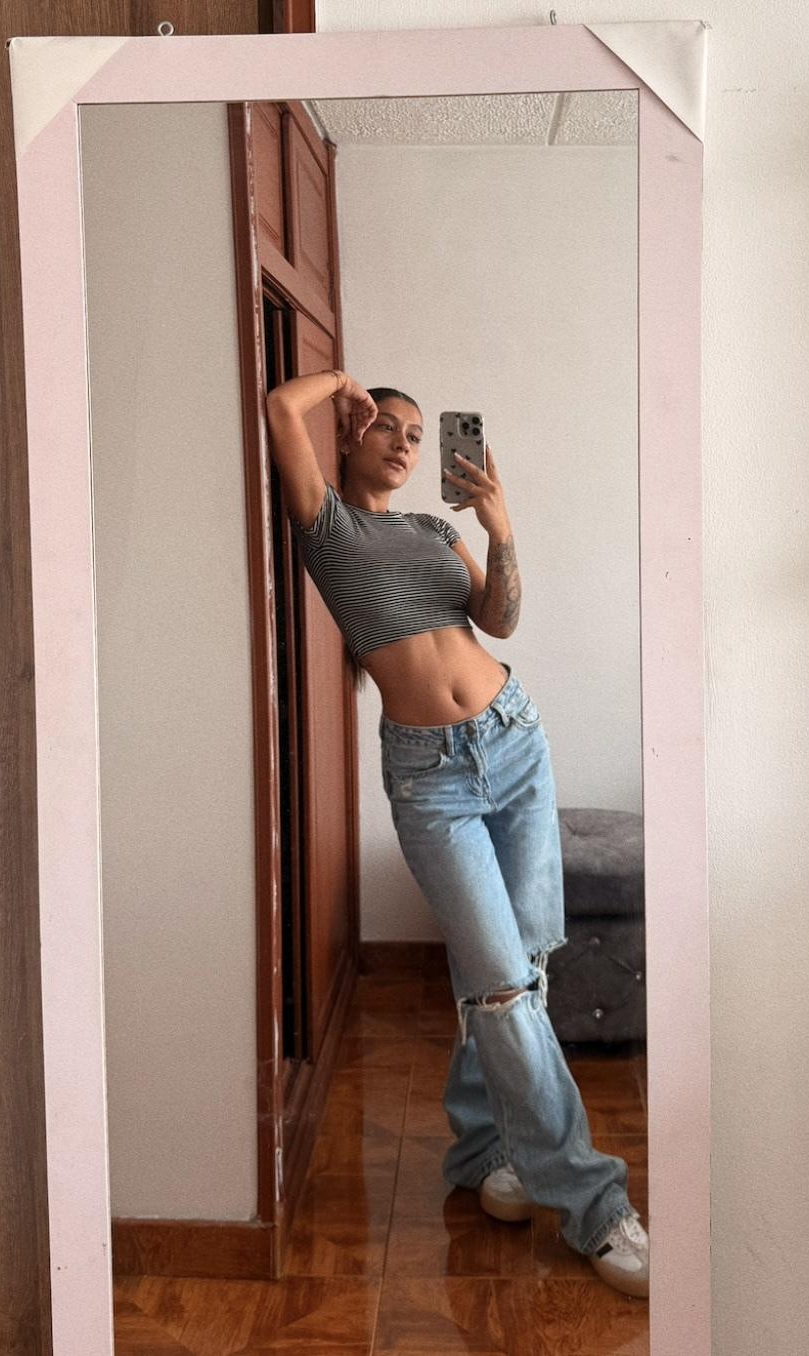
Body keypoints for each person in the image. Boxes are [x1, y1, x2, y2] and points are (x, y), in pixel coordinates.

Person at [265, 368, 649, 1299]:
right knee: (503, 985)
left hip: (513, 739)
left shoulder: (434, 531)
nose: (403, 440)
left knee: (518, 966)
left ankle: (485, 1151)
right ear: (349, 435)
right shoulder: (328, 526)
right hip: (430, 778)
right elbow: (279, 408)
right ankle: (592, 1204)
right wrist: (343, 384)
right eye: (385, 426)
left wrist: (498, 527)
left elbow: (499, 620)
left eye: (414, 432)